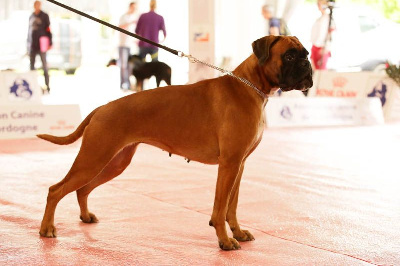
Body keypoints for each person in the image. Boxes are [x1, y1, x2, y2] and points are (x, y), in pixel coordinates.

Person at [27, 0, 52, 93]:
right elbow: (29, 31)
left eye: (38, 4)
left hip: (42, 44)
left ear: (40, 5)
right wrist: (28, 45)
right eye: (35, 5)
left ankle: (48, 86)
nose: (36, 6)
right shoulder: (31, 16)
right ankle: (32, 87)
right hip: (33, 45)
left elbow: (48, 29)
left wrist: (50, 43)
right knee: (32, 67)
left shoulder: (44, 16)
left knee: (44, 66)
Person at [310, 0, 335, 70]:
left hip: (322, 48)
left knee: (321, 70)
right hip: (315, 47)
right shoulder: (319, 19)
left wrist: (326, 48)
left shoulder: (329, 19)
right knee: (315, 70)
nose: (319, 5)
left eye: (320, 4)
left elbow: (331, 35)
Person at [118, 2, 137, 90]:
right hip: (123, 45)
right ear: (130, 7)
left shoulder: (134, 18)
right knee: (123, 66)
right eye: (133, 7)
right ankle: (123, 84)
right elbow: (120, 27)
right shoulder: (124, 17)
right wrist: (130, 23)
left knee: (130, 66)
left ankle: (128, 84)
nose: (134, 9)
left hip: (130, 45)